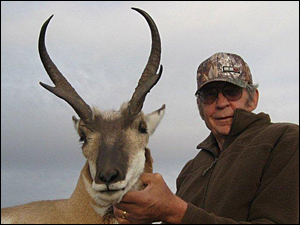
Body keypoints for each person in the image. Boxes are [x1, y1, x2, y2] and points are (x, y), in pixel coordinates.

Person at [113, 52, 299, 224]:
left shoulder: (285, 140)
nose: (221, 103)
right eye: (209, 95)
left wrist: (174, 210)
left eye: (232, 91)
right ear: (200, 107)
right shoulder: (191, 169)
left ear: (253, 98)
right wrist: (146, 217)